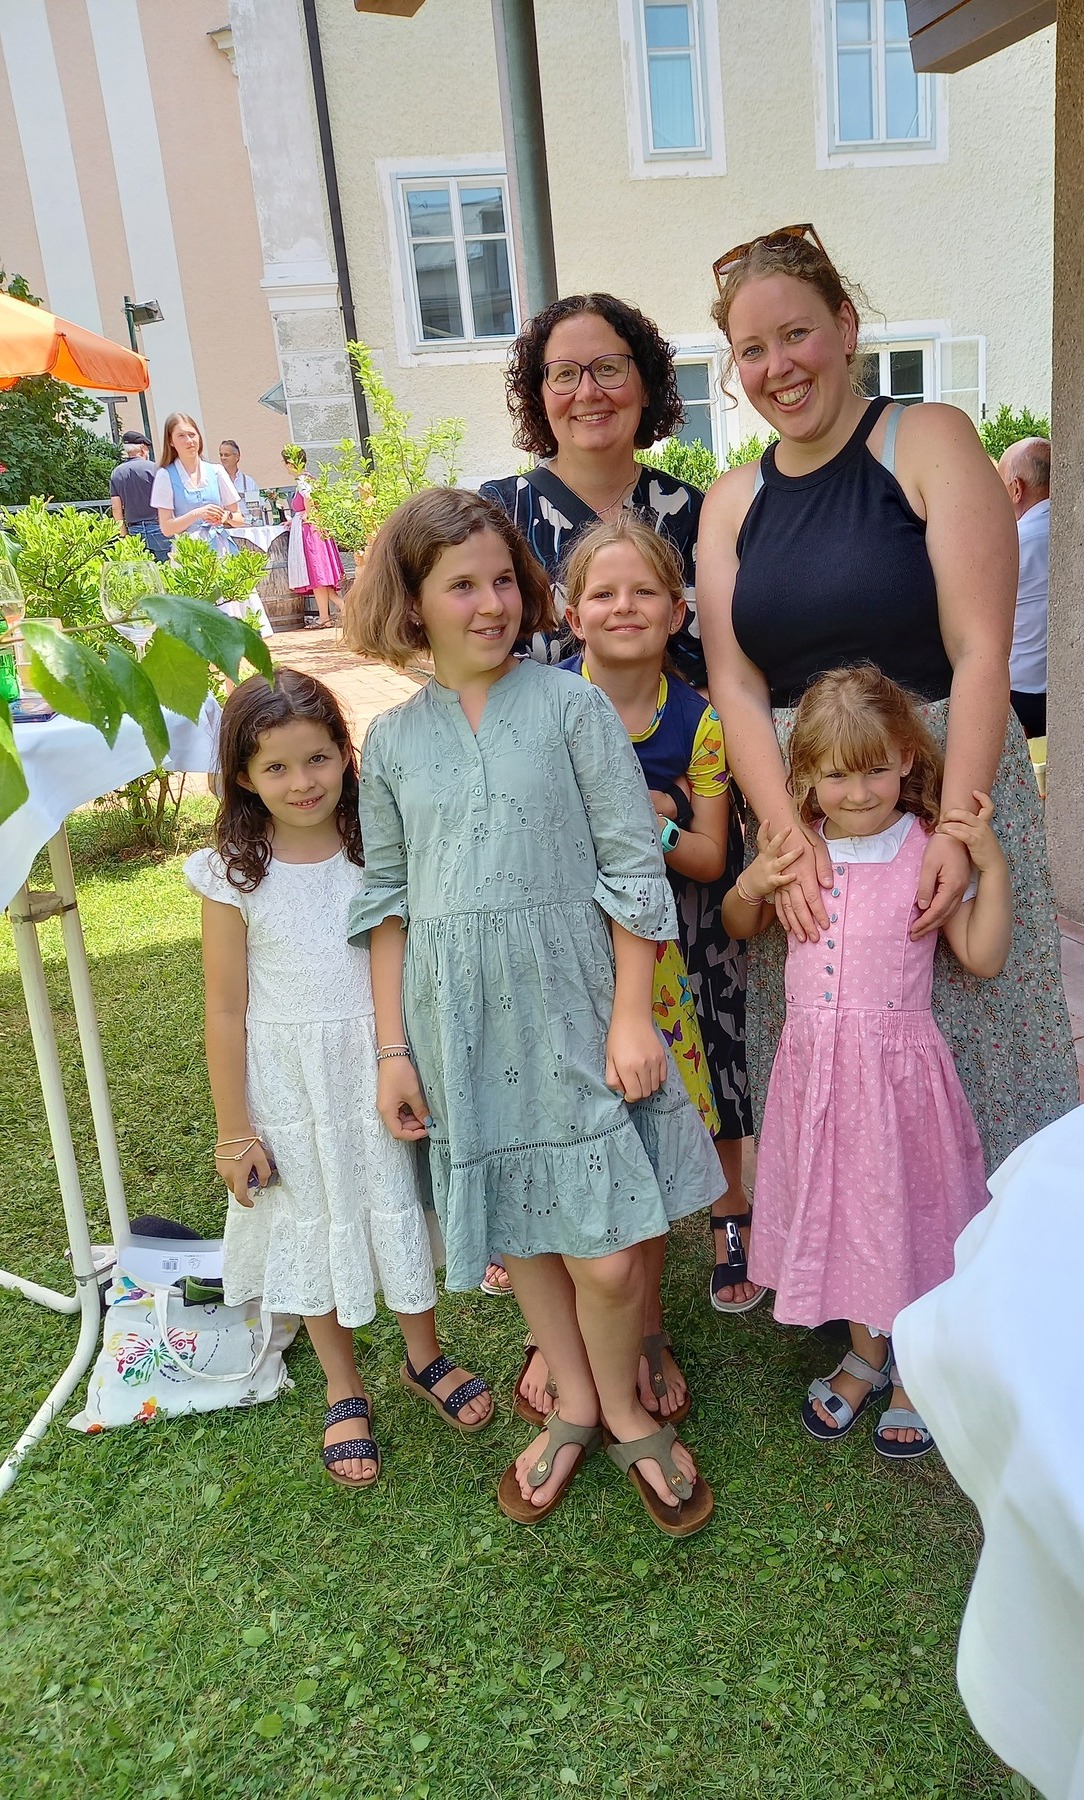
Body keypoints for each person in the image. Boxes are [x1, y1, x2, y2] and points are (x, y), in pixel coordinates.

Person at [343, 487, 723, 1536]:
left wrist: (633, 1015)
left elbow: (632, 866)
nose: (493, 603)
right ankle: (579, 1405)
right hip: (457, 1022)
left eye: (504, 579)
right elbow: (386, 904)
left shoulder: (571, 708)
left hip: (575, 1005)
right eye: (461, 585)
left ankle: (623, 1406)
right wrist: (392, 1051)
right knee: (529, 1230)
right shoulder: (391, 742)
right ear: (412, 604)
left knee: (607, 1251)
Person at [697, 224, 1078, 1179]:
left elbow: (981, 649)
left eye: (797, 333)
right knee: (835, 1058)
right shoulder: (731, 501)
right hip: (807, 810)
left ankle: (992, 1250)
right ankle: (855, 1253)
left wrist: (954, 827)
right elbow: (735, 684)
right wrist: (786, 837)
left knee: (973, 1047)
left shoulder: (928, 439)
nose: (778, 367)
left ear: (846, 325)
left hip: (939, 779)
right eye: (752, 349)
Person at [186, 669, 492, 1491]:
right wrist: (234, 1129)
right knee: (314, 1225)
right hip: (290, 1084)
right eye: (276, 767)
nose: (302, 782)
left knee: (395, 1207)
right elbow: (224, 1008)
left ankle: (423, 1356)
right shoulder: (232, 873)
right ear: (243, 776)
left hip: (378, 1060)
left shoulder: (375, 845)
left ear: (345, 756)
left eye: (318, 758)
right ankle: (342, 1385)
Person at [722, 666, 1011, 1461]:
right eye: (836, 776)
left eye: (876, 770)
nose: (856, 793)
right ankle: (865, 1354)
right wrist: (753, 879)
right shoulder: (796, 850)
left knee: (907, 1218)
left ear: (908, 760)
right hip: (816, 1079)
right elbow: (740, 924)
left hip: (897, 1085)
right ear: (806, 776)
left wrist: (990, 866)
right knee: (844, 1214)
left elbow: (983, 956)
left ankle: (915, 1368)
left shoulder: (926, 852)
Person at [508, 516, 754, 1429]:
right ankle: (557, 1339)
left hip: (650, 964)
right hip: (545, 964)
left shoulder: (699, 724)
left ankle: (646, 1325)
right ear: (571, 615)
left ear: (677, 611)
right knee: (554, 1137)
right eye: (603, 593)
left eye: (645, 591)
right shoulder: (532, 704)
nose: (624, 607)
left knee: (640, 1150)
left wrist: (652, 823)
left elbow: (708, 856)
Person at [480, 293, 705, 681]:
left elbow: (717, 670)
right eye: (565, 374)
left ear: (646, 387)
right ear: (540, 396)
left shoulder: (692, 514)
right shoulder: (498, 515)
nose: (587, 392)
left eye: (608, 368)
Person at [996, 436, 1051, 741]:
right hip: (1067, 688)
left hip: (1019, 694)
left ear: (1016, 488)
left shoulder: (1012, 543)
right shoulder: (1083, 532)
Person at [151, 412, 244, 553]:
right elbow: (167, 529)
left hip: (220, 549)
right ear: (171, 441)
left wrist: (226, 516)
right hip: (188, 553)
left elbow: (238, 518)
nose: (189, 440)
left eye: (192, 434)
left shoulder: (216, 471)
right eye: (181, 436)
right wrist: (197, 514)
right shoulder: (165, 475)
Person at [282, 445, 345, 628]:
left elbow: (308, 498)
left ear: (291, 463)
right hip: (313, 529)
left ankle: (338, 612)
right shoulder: (307, 479)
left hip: (311, 533)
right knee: (319, 577)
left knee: (317, 573)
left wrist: (308, 516)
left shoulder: (303, 480)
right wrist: (295, 520)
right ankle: (327, 615)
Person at [109, 431, 169, 561]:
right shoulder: (156, 469)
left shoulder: (117, 473)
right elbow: (168, 499)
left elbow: (116, 508)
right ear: (142, 448)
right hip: (159, 527)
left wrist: (123, 535)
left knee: (142, 569)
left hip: (134, 531)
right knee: (167, 568)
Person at [219, 439, 262, 513]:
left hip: (246, 520)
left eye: (226, 455)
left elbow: (255, 510)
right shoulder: (216, 481)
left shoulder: (248, 482)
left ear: (237, 457)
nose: (223, 458)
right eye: (221, 455)